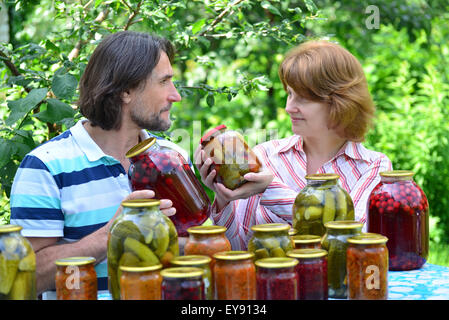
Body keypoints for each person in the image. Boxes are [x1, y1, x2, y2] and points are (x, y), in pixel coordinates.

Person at [9, 31, 186, 298]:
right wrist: (112, 235)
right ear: (126, 91)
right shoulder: (45, 167)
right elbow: (23, 279)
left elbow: (195, 248)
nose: (176, 96)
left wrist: (220, 203)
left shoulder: (173, 157)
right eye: (164, 82)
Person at [195, 40, 393, 250]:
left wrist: (269, 190)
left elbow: (349, 242)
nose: (289, 107)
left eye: (303, 99)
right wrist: (223, 199)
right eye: (289, 94)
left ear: (341, 102)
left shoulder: (374, 167)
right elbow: (238, 248)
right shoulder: (265, 156)